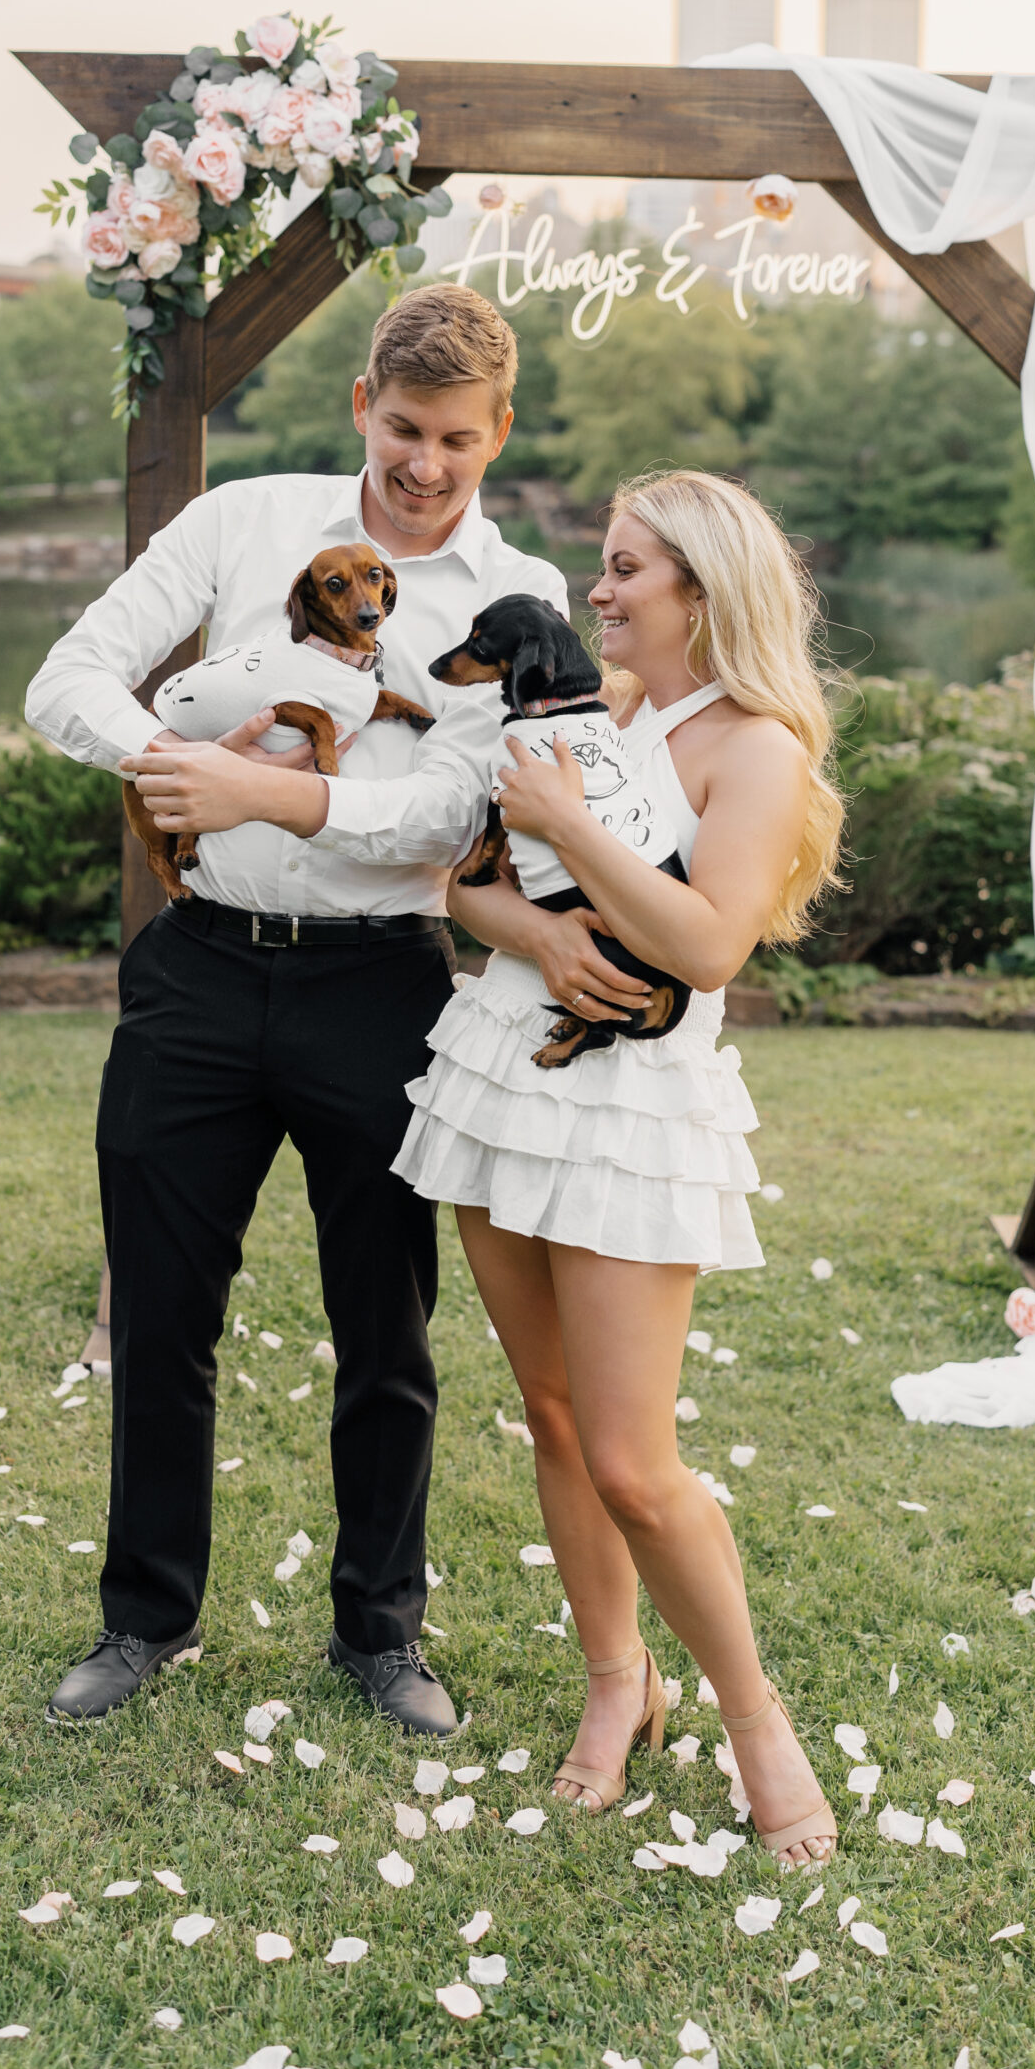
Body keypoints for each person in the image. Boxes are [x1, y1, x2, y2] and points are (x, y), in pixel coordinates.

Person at [24, 284, 566, 1733]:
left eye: (457, 438)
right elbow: (62, 678)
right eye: (403, 430)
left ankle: (382, 1637)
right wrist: (170, 760)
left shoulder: (521, 603)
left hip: (379, 988)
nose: (426, 465)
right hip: (197, 965)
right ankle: (145, 1620)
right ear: (360, 411)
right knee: (160, 1311)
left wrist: (267, 788)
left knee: (385, 1327)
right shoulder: (241, 520)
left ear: (497, 433)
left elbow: (454, 808)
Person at [391, 469, 846, 1863]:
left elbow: (711, 947)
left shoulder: (754, 747)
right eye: (601, 565)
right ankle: (615, 1685)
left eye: (626, 568)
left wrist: (576, 831)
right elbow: (463, 888)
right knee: (552, 1415)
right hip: (504, 1073)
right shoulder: (598, 716)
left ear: (702, 591)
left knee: (638, 1461)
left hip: (636, 1106)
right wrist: (539, 934)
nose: (598, 592)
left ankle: (758, 1720)